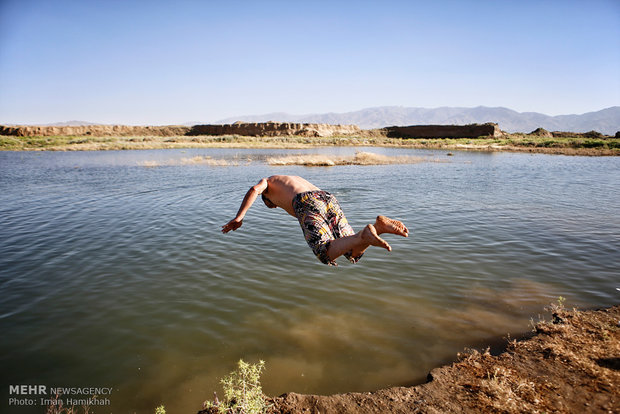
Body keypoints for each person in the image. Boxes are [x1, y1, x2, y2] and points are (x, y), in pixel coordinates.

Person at [222, 175, 409, 266]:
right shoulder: (290, 178)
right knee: (351, 253)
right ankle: (379, 227)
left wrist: (239, 217)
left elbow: (254, 190)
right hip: (326, 197)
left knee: (324, 252)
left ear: (267, 198)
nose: (276, 207)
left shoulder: (268, 181)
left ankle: (365, 234)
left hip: (305, 201)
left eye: (271, 205)